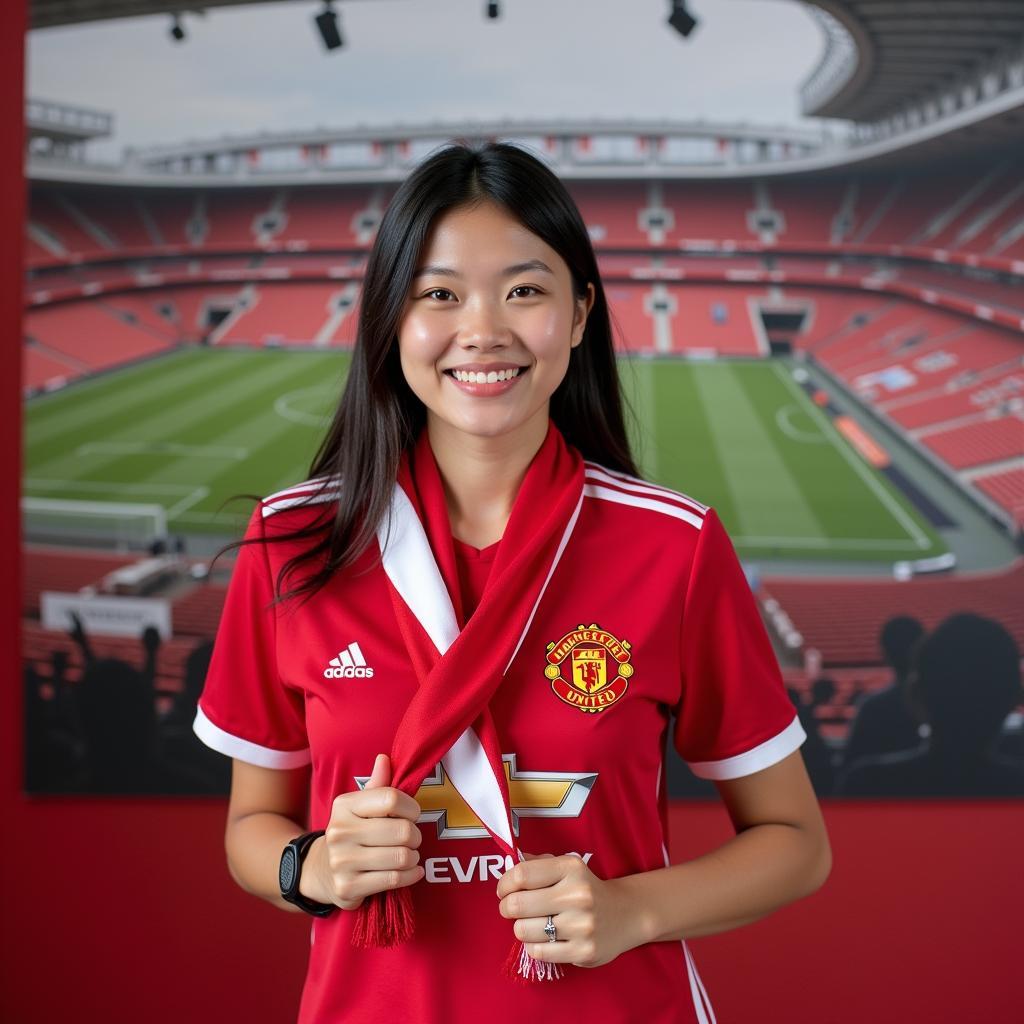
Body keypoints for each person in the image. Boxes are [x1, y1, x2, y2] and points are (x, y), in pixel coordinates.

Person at [193, 141, 831, 1024]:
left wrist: (633, 910)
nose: (483, 330)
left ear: (578, 314)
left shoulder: (672, 546)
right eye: (438, 294)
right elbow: (248, 831)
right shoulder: (293, 540)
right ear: (389, 318)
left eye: (524, 290)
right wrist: (312, 867)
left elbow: (795, 844)